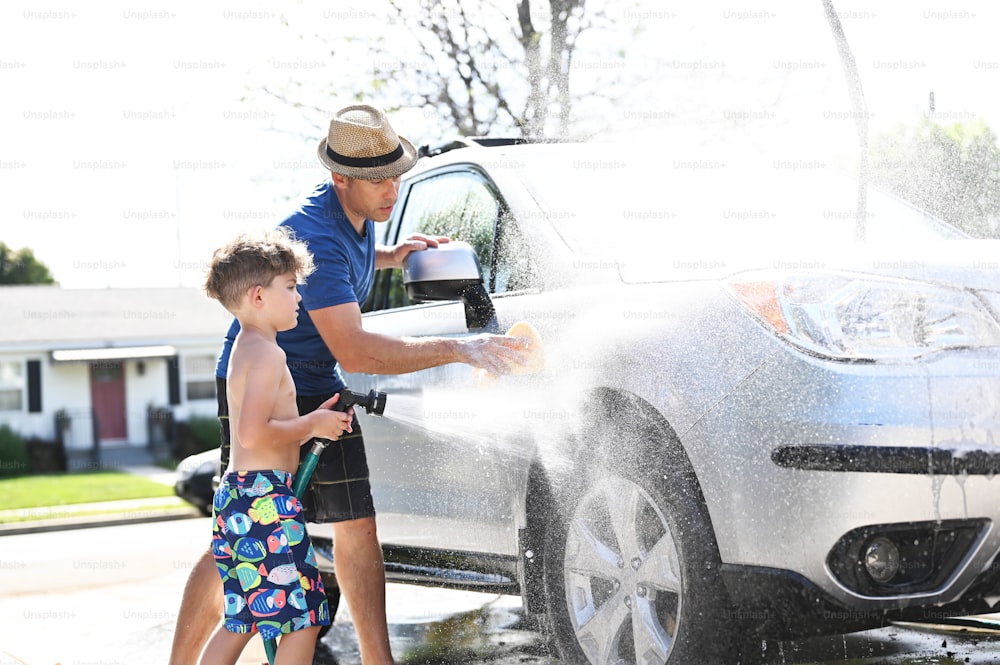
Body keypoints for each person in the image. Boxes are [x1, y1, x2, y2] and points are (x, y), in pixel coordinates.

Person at [170, 104, 531, 665]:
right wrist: (464, 347)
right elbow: (357, 350)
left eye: (395, 174)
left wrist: (392, 256)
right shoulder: (313, 230)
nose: (392, 189)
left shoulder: (358, 219)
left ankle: (377, 661)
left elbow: (339, 268)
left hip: (316, 382)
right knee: (237, 538)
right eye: (378, 179)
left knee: (356, 526)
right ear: (340, 178)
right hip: (263, 381)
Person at [198, 228, 354, 665]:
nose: (300, 297)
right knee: (304, 617)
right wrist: (312, 422)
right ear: (258, 297)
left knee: (244, 620)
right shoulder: (267, 354)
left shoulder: (250, 348)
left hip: (241, 499)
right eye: (290, 287)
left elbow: (265, 428)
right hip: (264, 500)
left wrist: (314, 423)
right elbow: (251, 434)